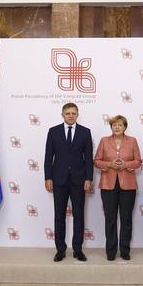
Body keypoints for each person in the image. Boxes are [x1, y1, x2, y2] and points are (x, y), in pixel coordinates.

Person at [44, 103, 93, 262]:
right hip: (58, 180)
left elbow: (88, 159)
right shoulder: (53, 131)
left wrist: (89, 179)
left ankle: (78, 249)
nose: (70, 115)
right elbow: (48, 157)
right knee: (59, 216)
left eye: (73, 113)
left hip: (79, 180)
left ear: (77, 114)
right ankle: (60, 249)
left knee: (79, 215)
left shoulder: (85, 132)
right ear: (62, 114)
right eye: (67, 113)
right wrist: (48, 177)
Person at [94, 115, 141, 261]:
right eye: (114, 125)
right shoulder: (104, 141)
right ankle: (111, 251)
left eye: (120, 125)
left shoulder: (132, 141)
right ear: (111, 127)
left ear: (125, 127)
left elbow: (138, 161)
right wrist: (109, 164)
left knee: (126, 219)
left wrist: (126, 164)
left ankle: (125, 250)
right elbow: (96, 161)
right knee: (110, 219)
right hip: (108, 185)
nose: (117, 127)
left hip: (128, 186)